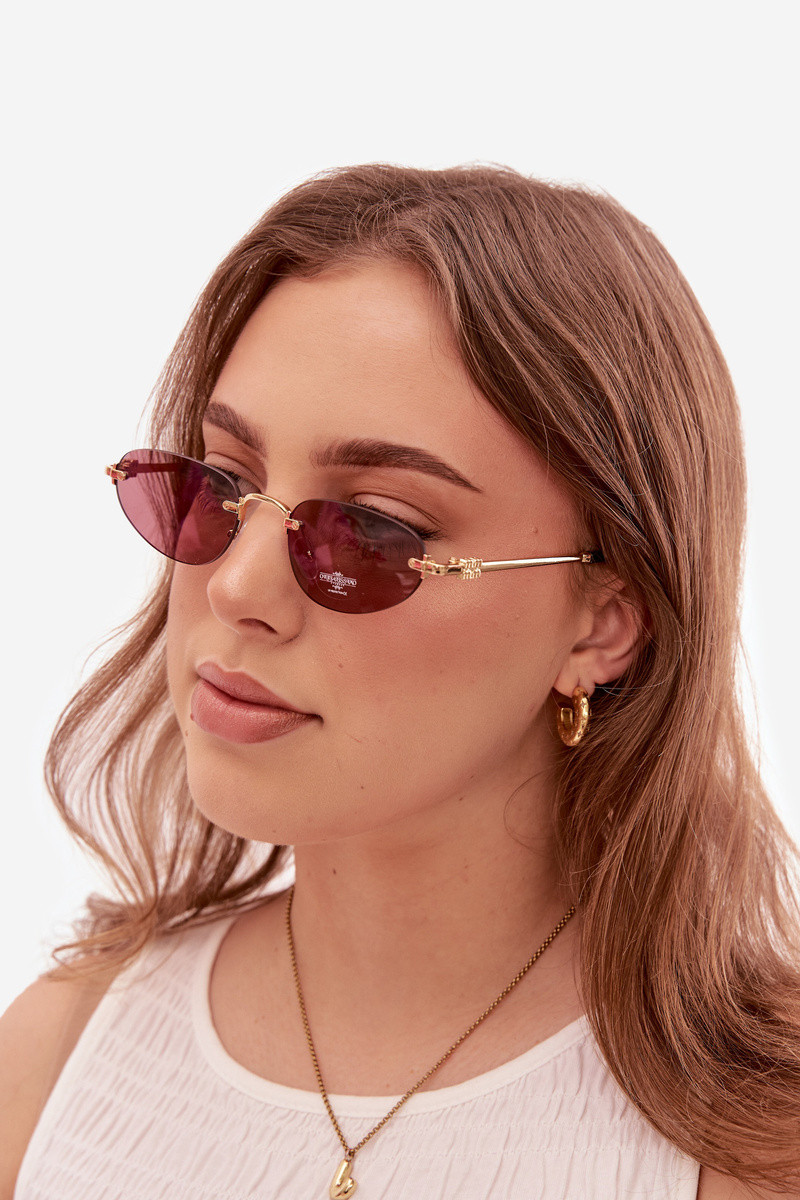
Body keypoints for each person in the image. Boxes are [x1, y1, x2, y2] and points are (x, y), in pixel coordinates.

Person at [2, 163, 799, 1200]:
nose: (236, 588)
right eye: (223, 483)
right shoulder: (56, 1066)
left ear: (605, 624)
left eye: (371, 530)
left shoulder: (757, 1140)